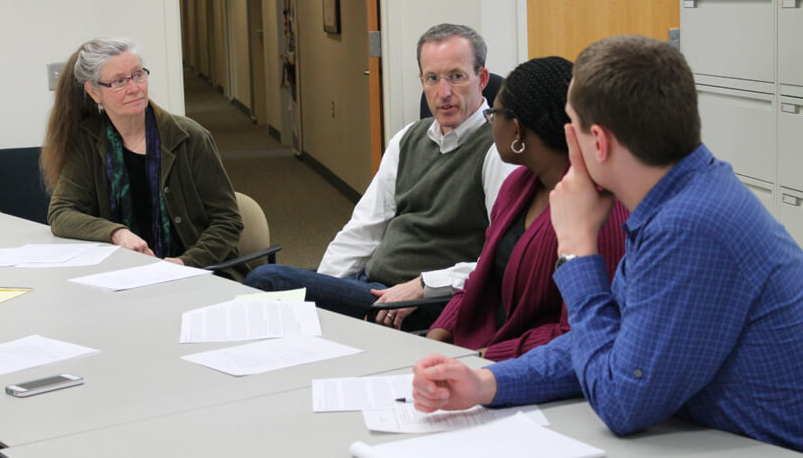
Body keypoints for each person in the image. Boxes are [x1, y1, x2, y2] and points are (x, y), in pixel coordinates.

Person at [411, 35, 803, 451]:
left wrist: (578, 250)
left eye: (571, 124)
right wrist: (487, 383)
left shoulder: (690, 227)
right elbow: (605, 340)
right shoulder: (678, 195)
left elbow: (621, 402)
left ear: (597, 142)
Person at [245, 24, 515, 331]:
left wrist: (424, 285)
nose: (443, 93)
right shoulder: (407, 140)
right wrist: (322, 288)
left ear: (481, 79)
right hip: (370, 286)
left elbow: (501, 258)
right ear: (422, 80)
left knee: (266, 281)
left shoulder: (498, 150)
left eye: (456, 76)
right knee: (266, 298)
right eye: (432, 78)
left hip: (422, 302)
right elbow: (364, 228)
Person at [426, 57, 628, 361]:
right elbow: (482, 278)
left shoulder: (601, 210)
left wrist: (483, 359)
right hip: (479, 354)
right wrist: (437, 336)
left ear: (517, 129)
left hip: (533, 369)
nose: (491, 123)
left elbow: (580, 332)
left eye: (493, 114)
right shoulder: (519, 185)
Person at [42, 37, 244, 278]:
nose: (134, 88)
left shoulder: (190, 138)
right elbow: (61, 213)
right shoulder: (87, 141)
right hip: (122, 275)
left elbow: (228, 221)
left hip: (194, 272)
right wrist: (116, 233)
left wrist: (184, 263)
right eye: (119, 81)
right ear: (94, 92)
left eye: (138, 75)